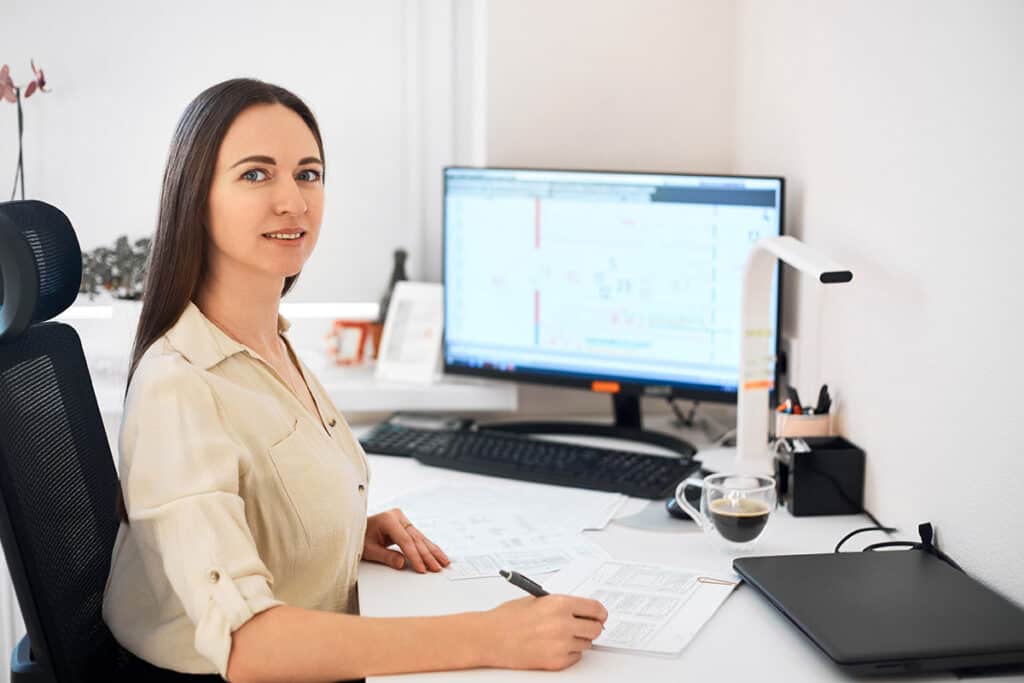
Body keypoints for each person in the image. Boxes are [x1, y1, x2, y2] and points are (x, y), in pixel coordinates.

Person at [101, 78, 607, 683]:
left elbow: (249, 500)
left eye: (308, 174)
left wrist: (333, 532)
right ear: (195, 197)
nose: (293, 200)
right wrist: (492, 635)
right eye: (256, 175)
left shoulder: (270, 343)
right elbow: (246, 644)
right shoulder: (178, 386)